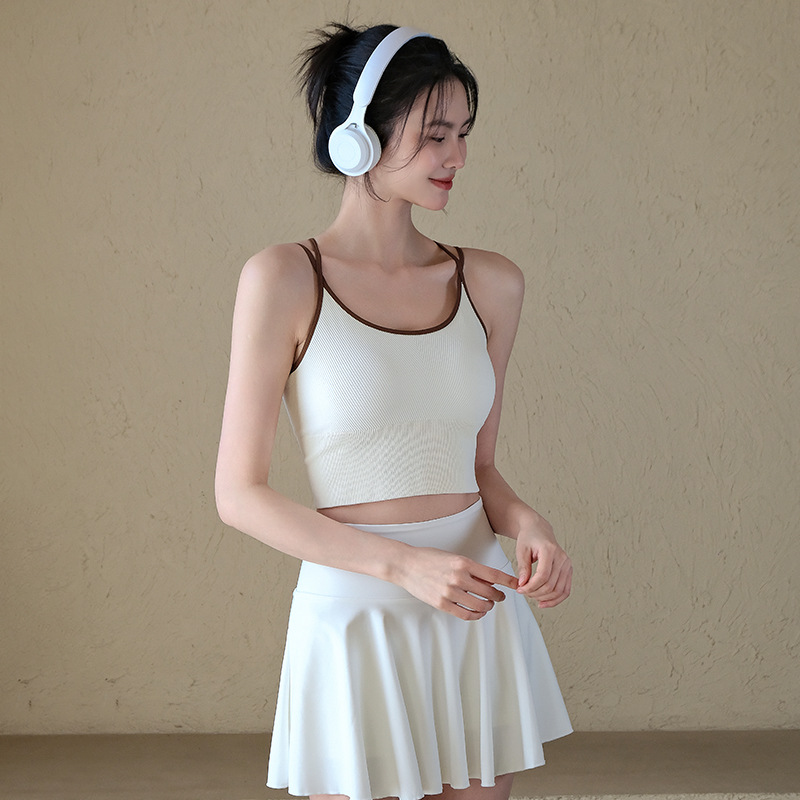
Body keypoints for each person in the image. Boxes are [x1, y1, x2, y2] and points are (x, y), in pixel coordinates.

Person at [215, 22, 573, 800]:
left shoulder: (492, 284)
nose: (458, 156)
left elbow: (479, 467)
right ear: (358, 137)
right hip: (358, 618)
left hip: (474, 611)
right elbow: (238, 495)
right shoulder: (284, 278)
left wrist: (529, 524)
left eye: (464, 133)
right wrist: (403, 566)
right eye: (435, 134)